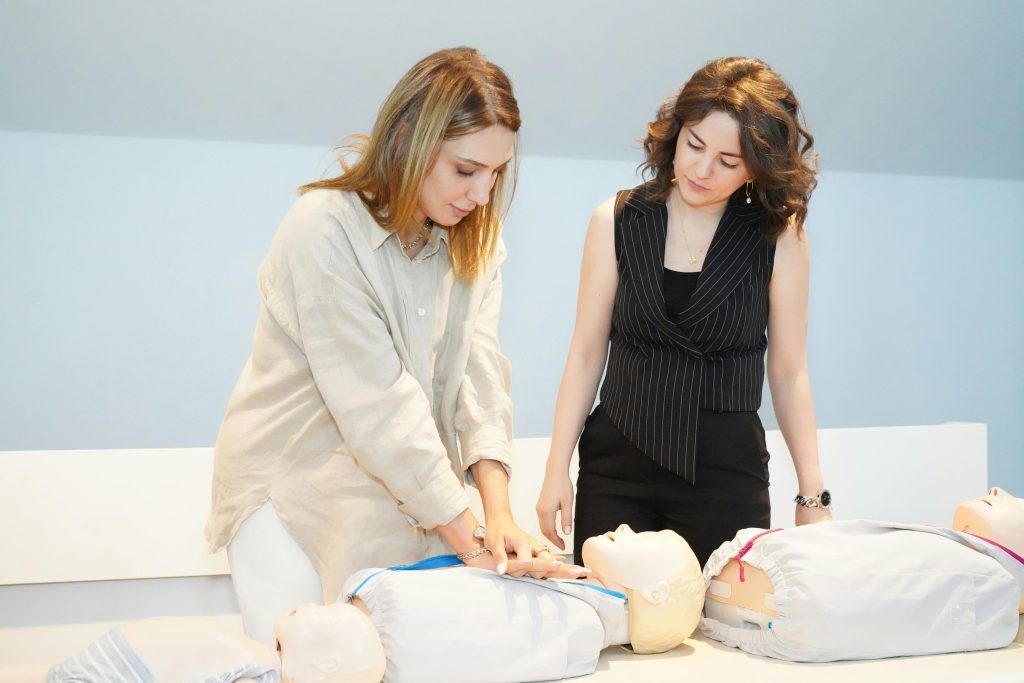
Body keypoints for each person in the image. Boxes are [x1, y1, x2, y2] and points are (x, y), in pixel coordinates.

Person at [204, 47, 567, 644]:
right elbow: (378, 404)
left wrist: (499, 516)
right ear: (409, 139)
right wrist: (476, 542)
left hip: (407, 497)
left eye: (496, 174)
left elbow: (478, 376)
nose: (481, 194)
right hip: (290, 497)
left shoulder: (475, 238)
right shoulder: (322, 228)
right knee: (306, 662)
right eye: (465, 169)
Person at [536, 56, 830, 566]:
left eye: (728, 160)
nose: (701, 169)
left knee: (724, 627)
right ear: (676, 132)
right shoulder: (617, 219)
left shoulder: (779, 237)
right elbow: (586, 354)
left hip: (726, 473)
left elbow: (788, 370)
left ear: (757, 167)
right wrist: (555, 467)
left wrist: (812, 495)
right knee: (616, 624)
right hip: (617, 465)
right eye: (694, 145)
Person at [342, 524, 704, 683]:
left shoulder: (579, 631)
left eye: (644, 538)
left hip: (380, 643)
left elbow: (479, 651)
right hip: (377, 616)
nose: (625, 527)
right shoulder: (573, 593)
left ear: (655, 593)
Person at [701, 487, 1024, 661]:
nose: (998, 490)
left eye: (1017, 500)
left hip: (777, 596)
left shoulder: (985, 585)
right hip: (767, 583)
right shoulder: (944, 549)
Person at [38, 603, 382, 683]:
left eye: (323, 613)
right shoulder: (262, 673)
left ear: (328, 664)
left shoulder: (251, 656)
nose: (309, 605)